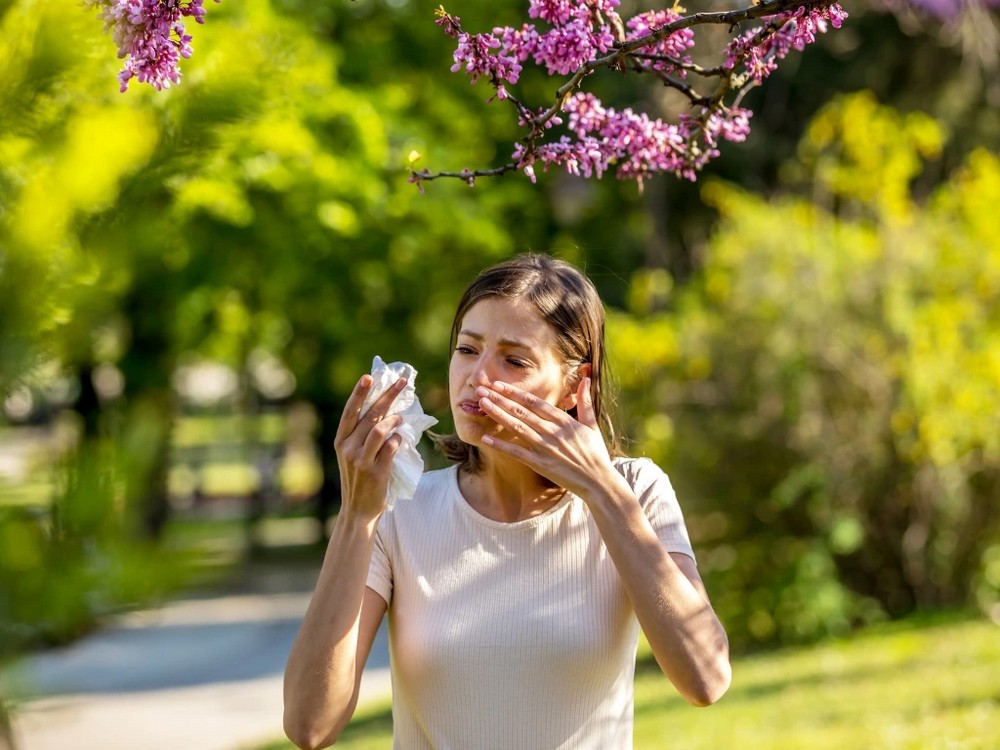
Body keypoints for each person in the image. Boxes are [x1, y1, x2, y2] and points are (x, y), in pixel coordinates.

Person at [283, 254, 731, 750]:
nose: (477, 375)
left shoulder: (635, 491)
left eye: (514, 360)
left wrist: (602, 490)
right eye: (467, 349)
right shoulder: (401, 510)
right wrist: (355, 515)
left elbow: (705, 680)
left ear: (574, 384)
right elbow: (309, 725)